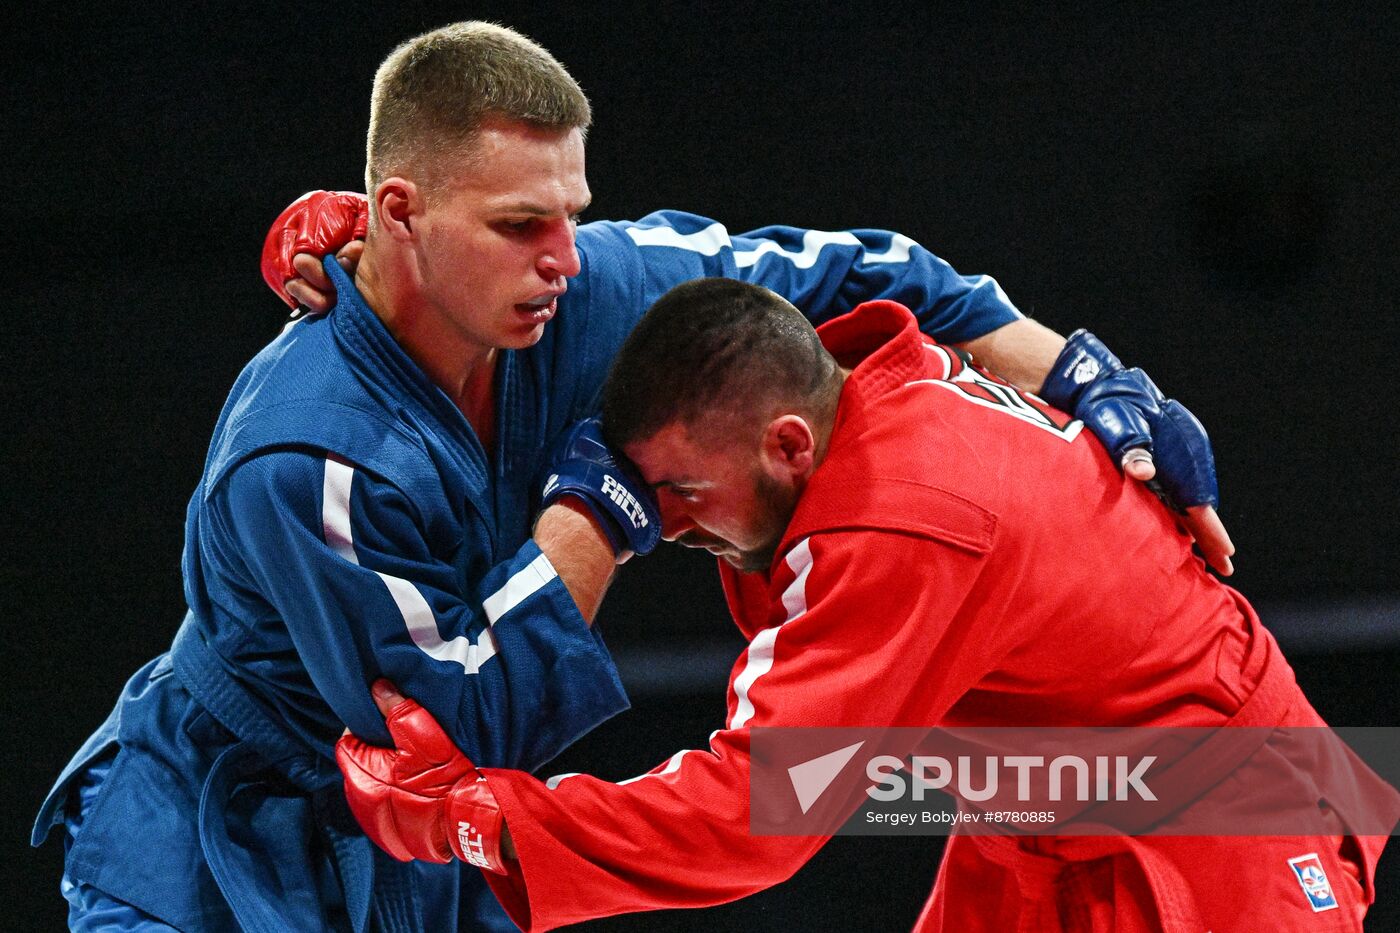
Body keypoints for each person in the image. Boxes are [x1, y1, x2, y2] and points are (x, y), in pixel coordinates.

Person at [33, 19, 1227, 933]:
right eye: (515, 226)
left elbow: (893, 271)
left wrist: (1087, 371)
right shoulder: (308, 453)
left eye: (569, 215)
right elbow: (456, 728)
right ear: (397, 217)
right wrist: (595, 511)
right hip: (229, 834)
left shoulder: (604, 290)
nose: (561, 259)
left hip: (1188, 788)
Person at [337, 278, 1398, 932]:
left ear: (788, 445)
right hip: (1046, 807)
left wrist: (479, 819)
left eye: (681, 496)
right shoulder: (867, 380)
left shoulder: (901, 521)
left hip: (1228, 826)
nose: (663, 527)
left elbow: (754, 813)